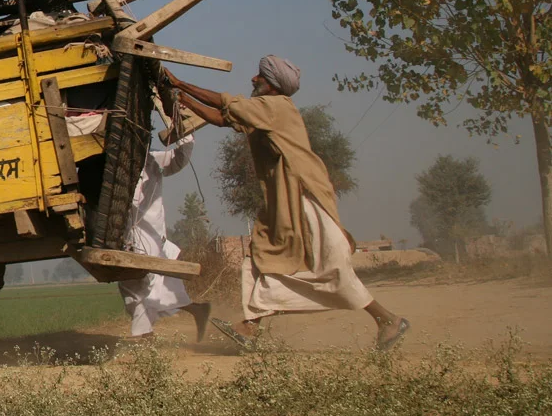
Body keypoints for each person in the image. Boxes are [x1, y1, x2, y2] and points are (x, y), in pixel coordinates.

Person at [166, 56, 409, 351]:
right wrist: (183, 98)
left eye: (259, 77)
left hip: (305, 198)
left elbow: (226, 103)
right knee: (264, 258)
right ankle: (250, 327)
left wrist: (181, 84)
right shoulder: (264, 111)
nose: (253, 80)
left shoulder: (276, 107)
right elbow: (222, 118)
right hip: (286, 200)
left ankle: (387, 319)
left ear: (272, 86)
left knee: (331, 266)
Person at [119, 133, 211, 341]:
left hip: (149, 233)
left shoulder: (153, 161)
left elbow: (180, 159)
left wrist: (183, 133)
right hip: (129, 236)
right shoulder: (114, 168)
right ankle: (196, 310)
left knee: (146, 282)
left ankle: (143, 334)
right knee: (130, 285)